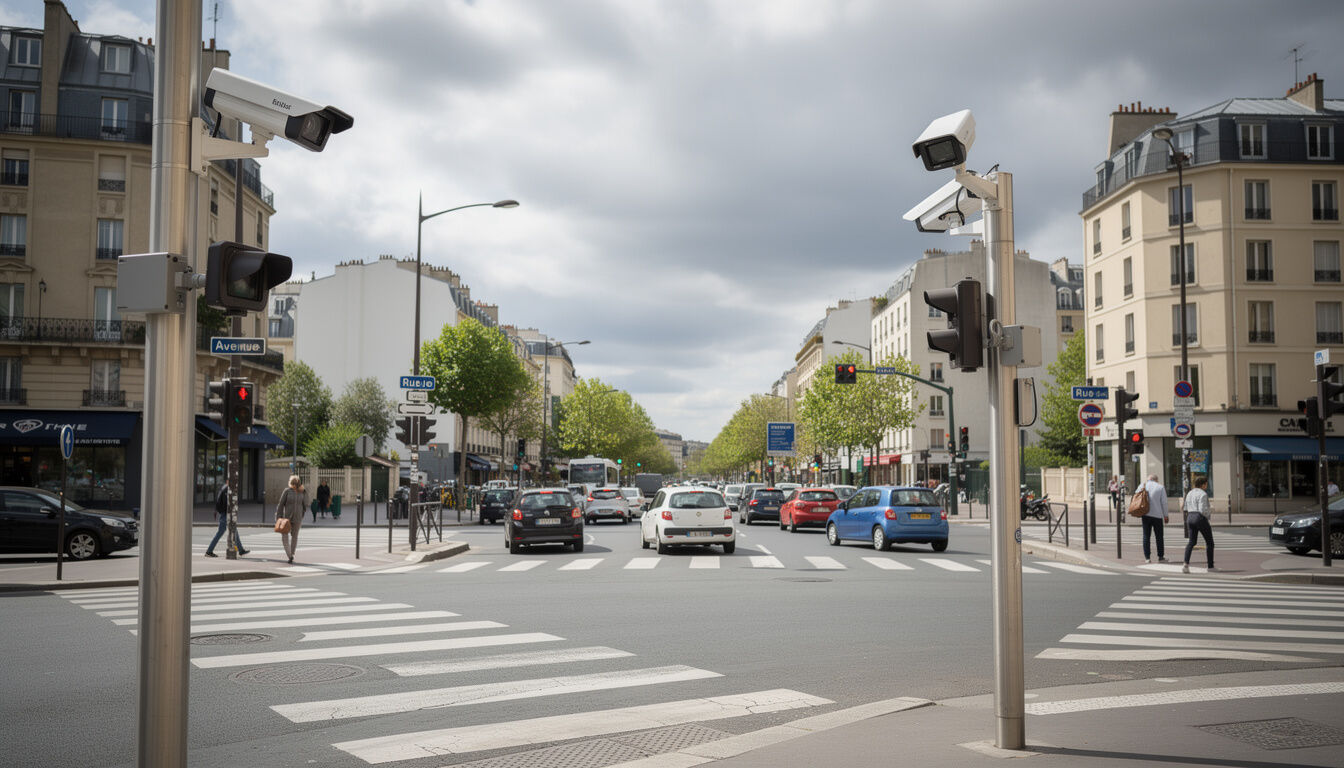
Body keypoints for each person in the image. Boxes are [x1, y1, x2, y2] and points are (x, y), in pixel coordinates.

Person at [1182, 475, 1216, 573]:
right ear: (1203, 484)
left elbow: (1185, 507)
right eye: (1206, 484)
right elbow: (1203, 509)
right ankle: (1210, 566)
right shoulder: (1203, 494)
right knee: (1209, 542)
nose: (1207, 486)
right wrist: (1208, 516)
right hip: (1199, 517)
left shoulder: (1189, 493)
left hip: (1190, 517)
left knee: (1192, 542)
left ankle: (1185, 564)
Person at [205, 485, 247, 557]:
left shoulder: (224, 488)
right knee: (226, 532)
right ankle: (209, 551)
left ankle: (241, 550)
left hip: (225, 513)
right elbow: (226, 503)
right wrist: (229, 511)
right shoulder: (227, 489)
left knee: (231, 531)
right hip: (226, 514)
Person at [275, 475, 308, 564]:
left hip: (297, 518)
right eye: (293, 483)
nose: (294, 484)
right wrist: (279, 517)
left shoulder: (302, 492)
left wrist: (301, 516)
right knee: (284, 536)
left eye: (295, 483)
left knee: (294, 536)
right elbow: (281, 504)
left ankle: (292, 554)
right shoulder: (287, 491)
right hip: (287, 519)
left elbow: (305, 505)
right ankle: (290, 555)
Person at [1140, 473, 1169, 564]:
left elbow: (1136, 497)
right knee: (1159, 537)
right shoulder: (1160, 487)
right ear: (1156, 480)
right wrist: (1166, 515)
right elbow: (1164, 503)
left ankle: (1147, 557)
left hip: (1145, 514)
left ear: (1148, 479)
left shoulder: (1142, 486)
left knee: (1146, 536)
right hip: (1157, 515)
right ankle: (1160, 556)